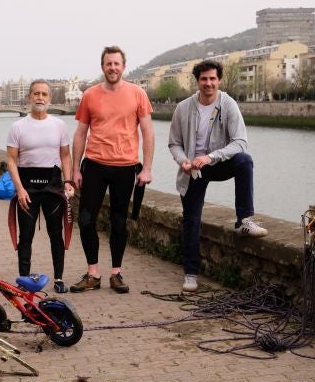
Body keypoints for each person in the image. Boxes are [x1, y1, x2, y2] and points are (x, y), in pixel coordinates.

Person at [168, 59, 267, 294]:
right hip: (192, 169)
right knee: (192, 220)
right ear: (198, 81)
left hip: (216, 163)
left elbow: (240, 142)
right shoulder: (183, 108)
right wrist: (183, 160)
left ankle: (244, 221)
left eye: (213, 79)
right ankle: (191, 274)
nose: (208, 83)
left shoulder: (228, 104)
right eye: (204, 79)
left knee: (245, 161)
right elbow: (174, 143)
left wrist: (211, 157)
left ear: (219, 80)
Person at [70, 45, 154, 294]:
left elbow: (148, 133)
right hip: (94, 165)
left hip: (125, 167)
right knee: (86, 220)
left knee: (119, 222)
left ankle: (116, 274)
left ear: (123, 66)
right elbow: (80, 134)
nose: (113, 68)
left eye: (117, 63)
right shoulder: (90, 95)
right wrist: (75, 168)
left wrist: (147, 168)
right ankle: (93, 273)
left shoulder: (138, 94)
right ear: (103, 66)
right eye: (109, 64)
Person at [6, 79, 75, 294]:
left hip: (53, 188)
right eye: (36, 94)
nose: (40, 98)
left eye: (44, 94)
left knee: (56, 234)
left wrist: (68, 181)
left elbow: (65, 155)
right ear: (29, 97)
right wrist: (19, 189)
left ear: (50, 98)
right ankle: (24, 280)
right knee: (25, 236)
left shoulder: (59, 125)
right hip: (27, 188)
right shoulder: (17, 127)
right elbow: (11, 160)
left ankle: (59, 278)